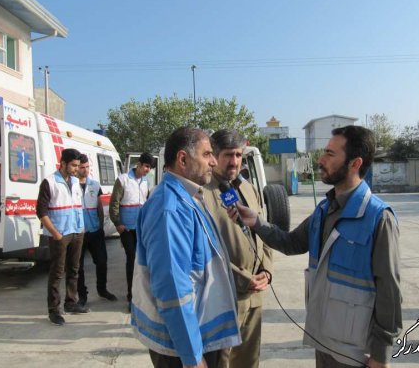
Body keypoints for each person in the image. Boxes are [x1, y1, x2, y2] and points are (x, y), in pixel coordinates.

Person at [228, 126, 402, 368]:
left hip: (356, 350)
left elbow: (389, 292)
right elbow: (290, 243)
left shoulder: (378, 218)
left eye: (330, 154)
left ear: (355, 163)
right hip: (323, 340)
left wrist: (381, 355)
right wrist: (256, 222)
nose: (321, 160)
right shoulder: (324, 210)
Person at [131, 127, 240, 368]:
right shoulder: (169, 209)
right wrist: (192, 357)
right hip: (180, 347)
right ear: (183, 159)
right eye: (207, 154)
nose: (214, 161)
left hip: (198, 334)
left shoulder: (188, 196)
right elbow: (172, 290)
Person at [204, 129, 273, 368]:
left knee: (248, 359)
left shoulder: (248, 189)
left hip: (256, 292)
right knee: (224, 360)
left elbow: (263, 233)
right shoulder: (203, 194)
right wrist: (243, 278)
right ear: (213, 156)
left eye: (238, 155)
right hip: (226, 295)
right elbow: (206, 251)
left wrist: (267, 270)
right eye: (227, 155)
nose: (234, 161)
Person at [36, 148, 90, 326]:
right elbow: (41, 212)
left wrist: (81, 229)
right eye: (73, 165)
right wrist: (56, 234)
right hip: (60, 235)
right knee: (57, 272)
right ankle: (53, 310)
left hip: (76, 232)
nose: (76, 169)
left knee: (74, 270)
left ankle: (71, 303)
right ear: (64, 164)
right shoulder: (49, 182)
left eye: (78, 165)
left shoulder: (75, 182)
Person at [109, 152, 154, 311]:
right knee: (131, 258)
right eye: (146, 166)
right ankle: (131, 296)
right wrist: (117, 223)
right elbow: (114, 203)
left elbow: (147, 202)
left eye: (150, 168)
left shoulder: (145, 182)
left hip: (141, 228)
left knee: (141, 261)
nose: (148, 170)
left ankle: (141, 294)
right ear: (140, 164)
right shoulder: (123, 180)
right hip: (126, 228)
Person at [76, 154, 117, 306]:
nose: (85, 170)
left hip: (95, 231)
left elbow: (99, 206)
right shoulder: (71, 185)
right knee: (77, 266)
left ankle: (102, 289)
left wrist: (100, 226)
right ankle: (82, 295)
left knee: (102, 262)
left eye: (87, 167)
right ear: (76, 168)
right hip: (78, 232)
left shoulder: (94, 185)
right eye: (82, 167)